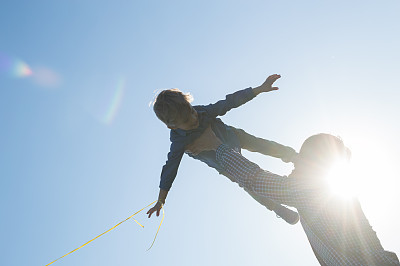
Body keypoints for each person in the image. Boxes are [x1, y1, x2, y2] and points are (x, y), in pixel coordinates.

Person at [186, 127, 400, 265]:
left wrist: (217, 146)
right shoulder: (333, 192)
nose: (295, 164)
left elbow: (257, 179)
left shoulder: (315, 190)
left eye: (301, 158)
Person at [147, 74, 299, 225]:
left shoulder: (202, 111)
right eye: (187, 120)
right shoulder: (178, 142)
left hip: (232, 136)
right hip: (221, 160)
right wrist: (161, 200)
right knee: (246, 182)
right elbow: (170, 169)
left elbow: (228, 103)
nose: (194, 119)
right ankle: (276, 208)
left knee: (260, 144)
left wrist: (258, 89)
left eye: (192, 112)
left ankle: (293, 156)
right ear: (173, 126)